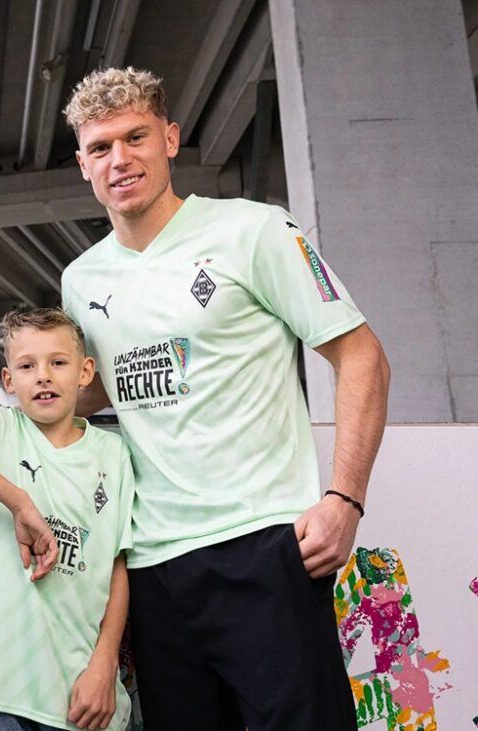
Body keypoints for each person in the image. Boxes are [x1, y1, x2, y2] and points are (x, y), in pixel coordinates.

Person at [60, 67, 390, 730]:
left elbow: (362, 356)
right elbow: (93, 390)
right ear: (83, 164)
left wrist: (344, 498)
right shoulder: (80, 279)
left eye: (136, 137)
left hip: (264, 543)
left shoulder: (256, 231)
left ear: (171, 138)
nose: (119, 159)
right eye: (100, 147)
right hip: (156, 567)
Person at [0, 308, 134, 731]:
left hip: (80, 696)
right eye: (27, 366)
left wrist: (104, 665)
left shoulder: (115, 454)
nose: (43, 376)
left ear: (85, 371)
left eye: (58, 362)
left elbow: (118, 566)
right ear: (8, 380)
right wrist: (18, 501)